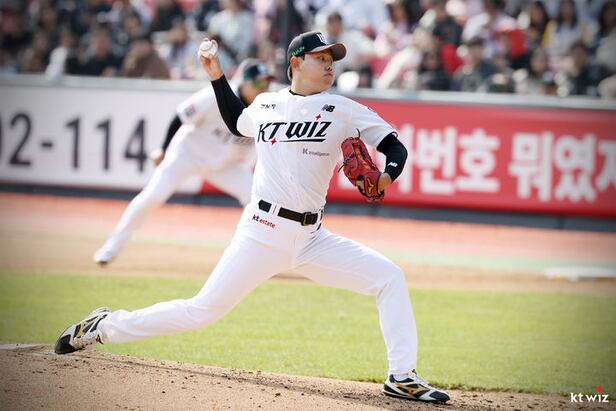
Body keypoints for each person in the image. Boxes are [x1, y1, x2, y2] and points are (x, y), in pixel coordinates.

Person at [57, 31, 450, 404]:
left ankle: (402, 376)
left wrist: (387, 176)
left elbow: (394, 146)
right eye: (321, 57)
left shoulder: (344, 110)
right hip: (262, 232)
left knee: (389, 278)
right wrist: (217, 76)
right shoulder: (266, 105)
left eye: (332, 59)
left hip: (312, 239)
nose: (330, 64)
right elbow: (235, 121)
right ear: (296, 63)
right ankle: (103, 326)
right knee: (201, 311)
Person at [93, 58, 273, 265]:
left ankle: (251, 255)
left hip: (223, 166)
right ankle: (111, 247)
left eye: (267, 82)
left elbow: (259, 148)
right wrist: (163, 149)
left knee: (257, 198)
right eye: (259, 82)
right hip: (188, 154)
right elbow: (180, 116)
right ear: (244, 82)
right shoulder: (218, 95)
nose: (264, 87)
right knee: (154, 195)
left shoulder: (265, 109)